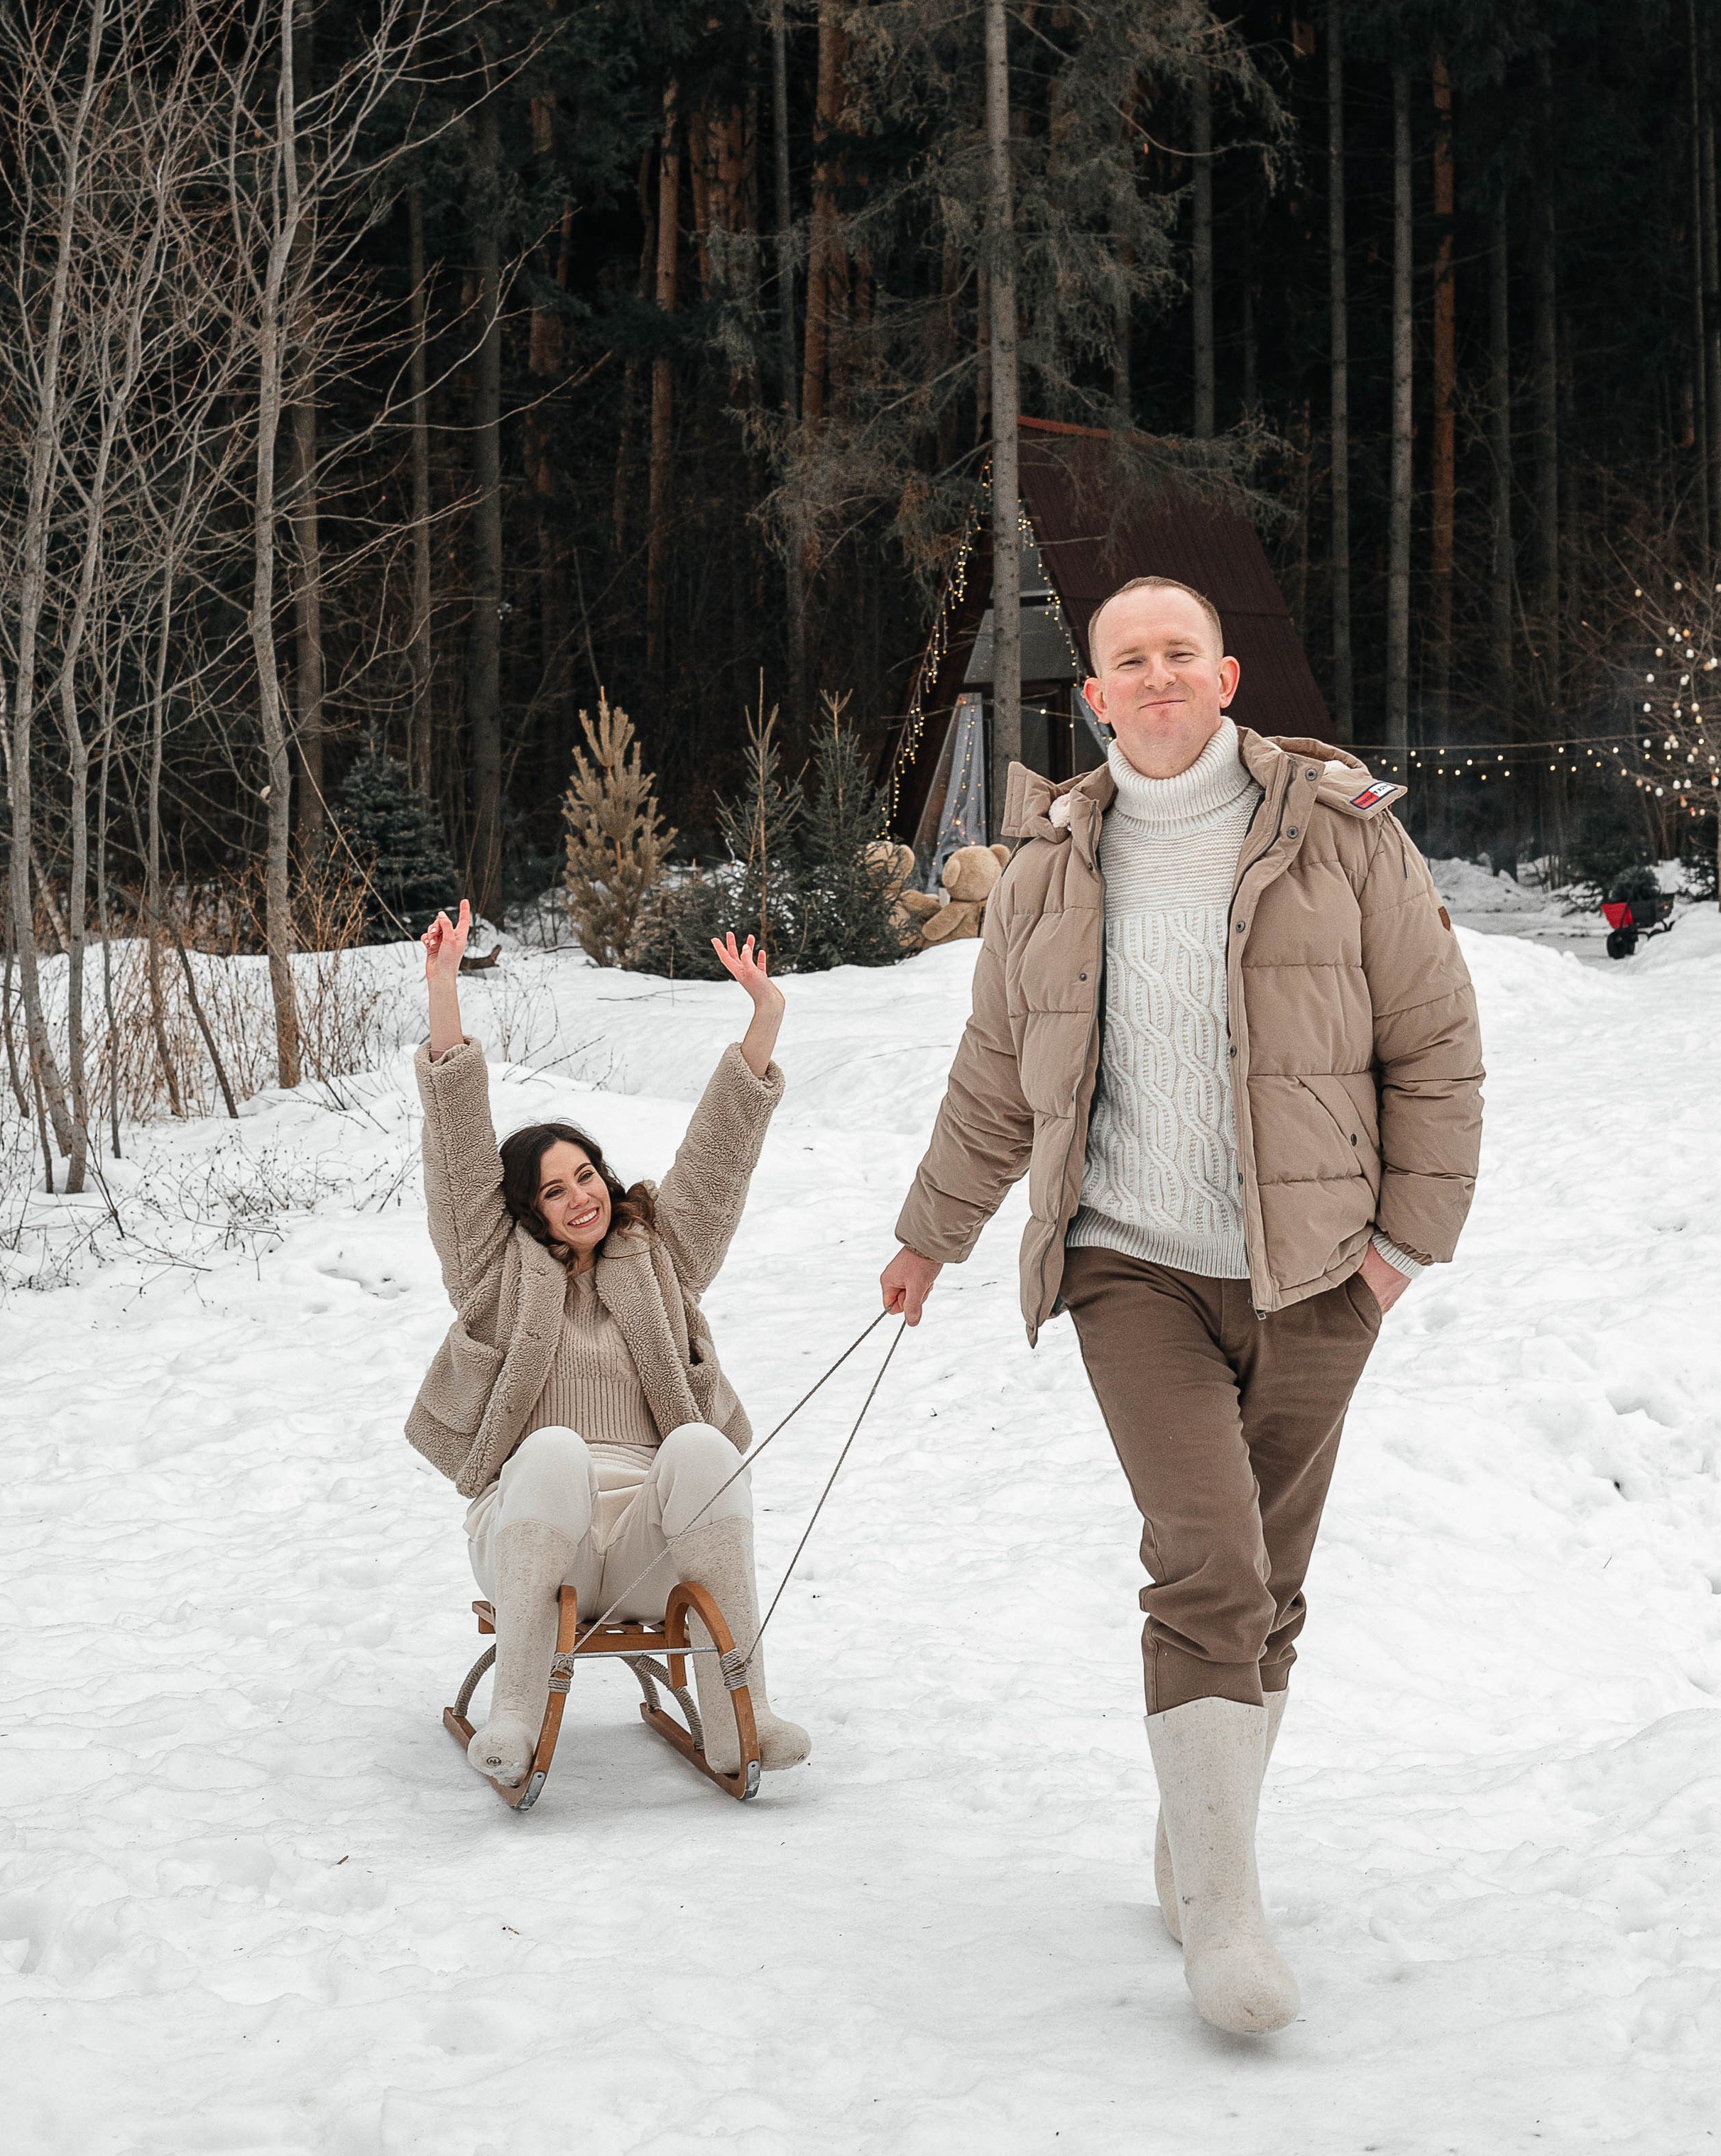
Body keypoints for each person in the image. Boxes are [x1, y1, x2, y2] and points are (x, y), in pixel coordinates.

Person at [880, 576, 1482, 2035]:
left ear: (1222, 680)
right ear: (1091, 698)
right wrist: (927, 1236)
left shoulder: (1338, 838)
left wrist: (1402, 1248)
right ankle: (1227, 1919)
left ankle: (1194, 1840)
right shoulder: (1044, 865)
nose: (1152, 680)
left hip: (1313, 1274)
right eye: (1124, 663)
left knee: (1269, 1585)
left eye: (1176, 656)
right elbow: (988, 1082)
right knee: (1206, 1564)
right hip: (1126, 1266)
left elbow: (1435, 1040)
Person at [410, 899, 809, 1788]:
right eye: (554, 1191)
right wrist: (445, 991)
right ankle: (515, 1714)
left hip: (641, 1544)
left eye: (585, 1174)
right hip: (530, 1530)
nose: (580, 1197)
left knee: (704, 1446)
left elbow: (715, 1159)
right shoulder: (491, 1267)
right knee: (551, 1447)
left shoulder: (658, 1252)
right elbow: (458, 1149)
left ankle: (739, 1713)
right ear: (526, 1210)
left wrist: (764, 1020)